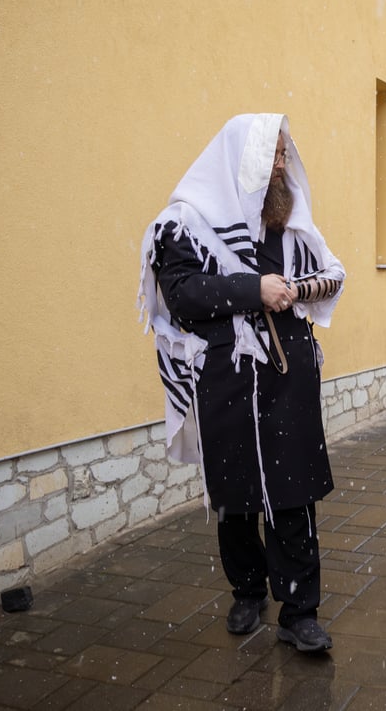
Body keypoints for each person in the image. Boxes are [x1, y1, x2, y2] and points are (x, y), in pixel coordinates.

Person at [138, 113, 344, 652]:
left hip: (288, 374)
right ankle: (248, 591)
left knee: (292, 492)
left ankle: (300, 610)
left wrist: (300, 289)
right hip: (226, 379)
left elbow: (324, 274)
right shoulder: (184, 222)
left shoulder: (287, 220)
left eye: (283, 155)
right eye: (271, 156)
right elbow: (182, 294)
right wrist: (254, 290)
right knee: (236, 494)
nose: (282, 165)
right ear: (242, 161)